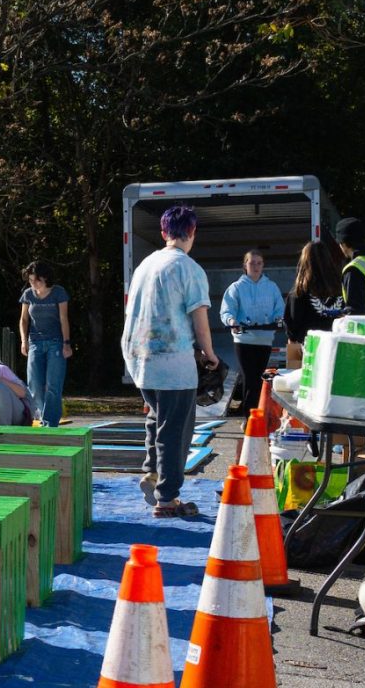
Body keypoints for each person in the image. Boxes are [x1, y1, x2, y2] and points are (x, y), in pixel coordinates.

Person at [121, 205, 220, 519]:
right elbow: (199, 318)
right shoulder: (188, 268)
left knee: (156, 418)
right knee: (175, 430)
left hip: (139, 357)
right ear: (192, 233)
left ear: (164, 233)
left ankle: (151, 473)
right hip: (172, 360)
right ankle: (167, 498)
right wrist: (210, 354)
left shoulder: (145, 265)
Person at [220, 250, 284, 413]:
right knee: (250, 378)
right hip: (244, 341)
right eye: (252, 263)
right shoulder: (236, 288)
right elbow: (227, 310)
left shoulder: (271, 287)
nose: (255, 266)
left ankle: (252, 413)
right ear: (245, 265)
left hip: (264, 340)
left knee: (257, 378)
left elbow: (280, 309)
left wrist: (278, 319)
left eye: (259, 263)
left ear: (263, 266)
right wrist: (231, 321)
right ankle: (250, 416)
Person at [17, 261, 72, 426]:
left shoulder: (59, 293)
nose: (33, 283)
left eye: (36, 280)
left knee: (53, 386)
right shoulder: (28, 294)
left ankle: (50, 423)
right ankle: (42, 417)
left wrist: (66, 343)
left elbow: (64, 319)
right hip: (35, 343)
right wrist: (23, 341)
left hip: (56, 342)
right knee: (34, 384)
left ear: (45, 278)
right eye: (31, 280)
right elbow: (24, 319)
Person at [284, 239, 345, 368]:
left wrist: (293, 365)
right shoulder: (341, 288)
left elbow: (292, 329)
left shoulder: (299, 292)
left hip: (308, 352)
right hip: (336, 350)